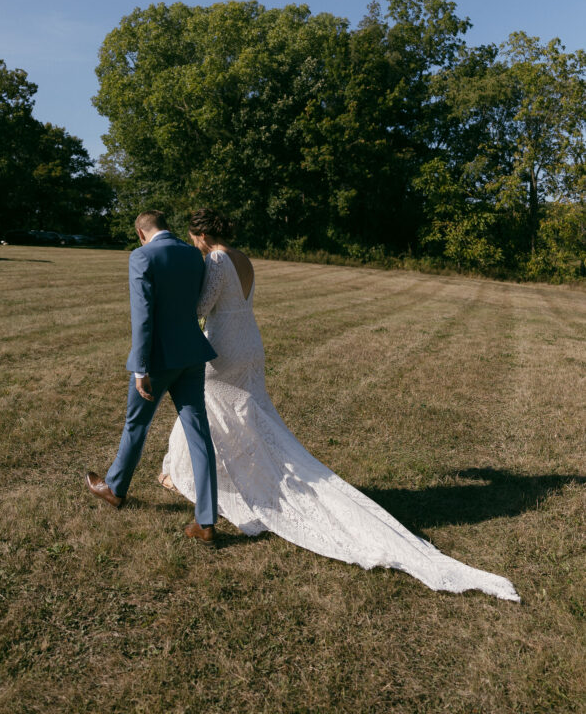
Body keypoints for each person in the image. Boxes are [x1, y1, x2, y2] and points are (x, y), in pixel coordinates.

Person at [159, 208, 520, 600]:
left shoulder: (214, 258)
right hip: (249, 343)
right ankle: (212, 473)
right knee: (240, 415)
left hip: (224, 346)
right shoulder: (243, 258)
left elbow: (201, 307)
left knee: (201, 407)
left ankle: (185, 474)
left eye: (193, 238)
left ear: (200, 235)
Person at [86, 209, 219, 545]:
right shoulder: (193, 254)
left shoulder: (142, 256)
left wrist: (140, 368)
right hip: (192, 355)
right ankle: (206, 521)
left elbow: (143, 316)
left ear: (140, 232)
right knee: (199, 435)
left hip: (158, 360)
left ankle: (114, 489)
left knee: (136, 424)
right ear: (166, 226)